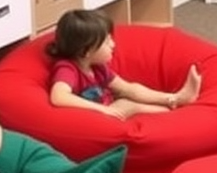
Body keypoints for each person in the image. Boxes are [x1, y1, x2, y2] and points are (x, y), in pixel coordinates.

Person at [46, 9, 202, 120]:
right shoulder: (67, 69)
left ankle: (175, 99)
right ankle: (173, 114)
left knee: (131, 91)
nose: (113, 45)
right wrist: (101, 110)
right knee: (127, 104)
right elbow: (58, 97)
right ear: (86, 51)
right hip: (93, 119)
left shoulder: (97, 67)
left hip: (108, 108)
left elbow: (127, 88)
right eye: (107, 42)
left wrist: (168, 97)